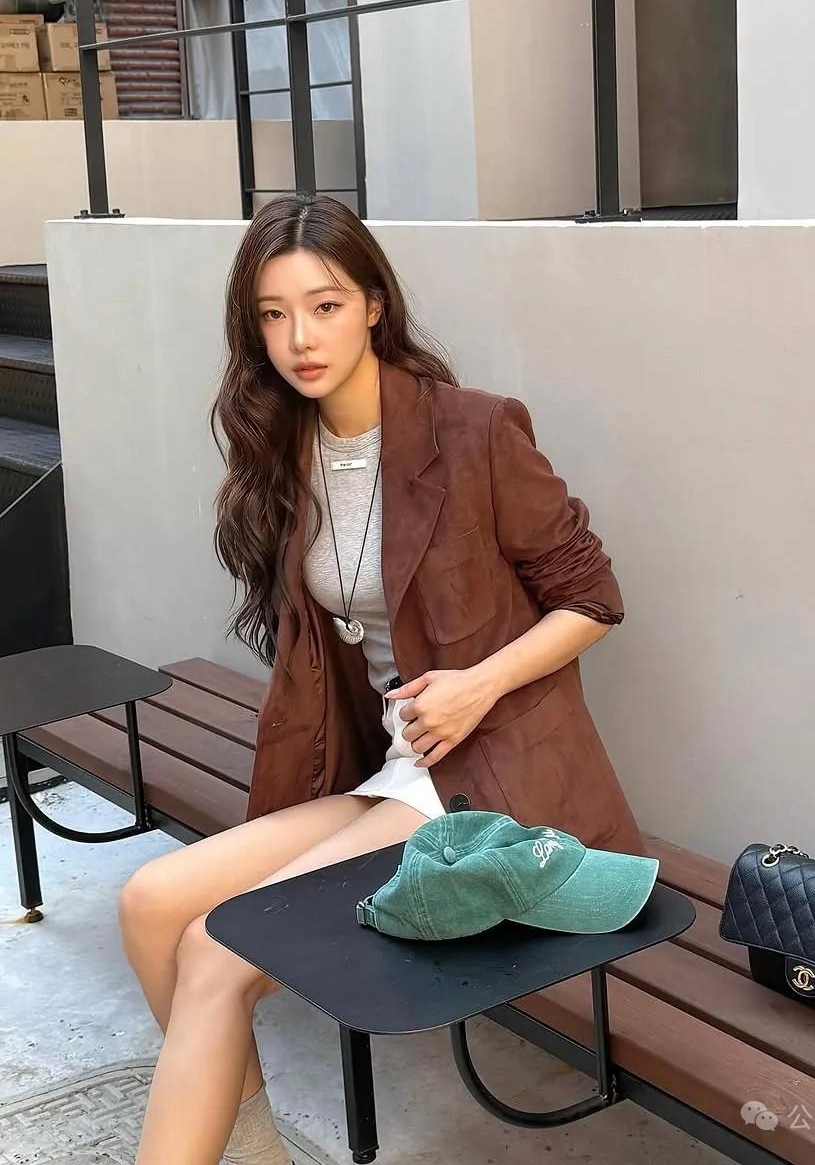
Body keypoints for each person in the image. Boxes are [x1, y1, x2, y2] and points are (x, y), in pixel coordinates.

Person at [118, 193, 643, 1164]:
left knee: (216, 953)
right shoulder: (288, 451)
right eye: (273, 315)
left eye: (323, 306)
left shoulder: (475, 431)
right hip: (396, 770)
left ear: (372, 306)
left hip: (489, 778)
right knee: (151, 904)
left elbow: (594, 598)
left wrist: (478, 683)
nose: (299, 338)